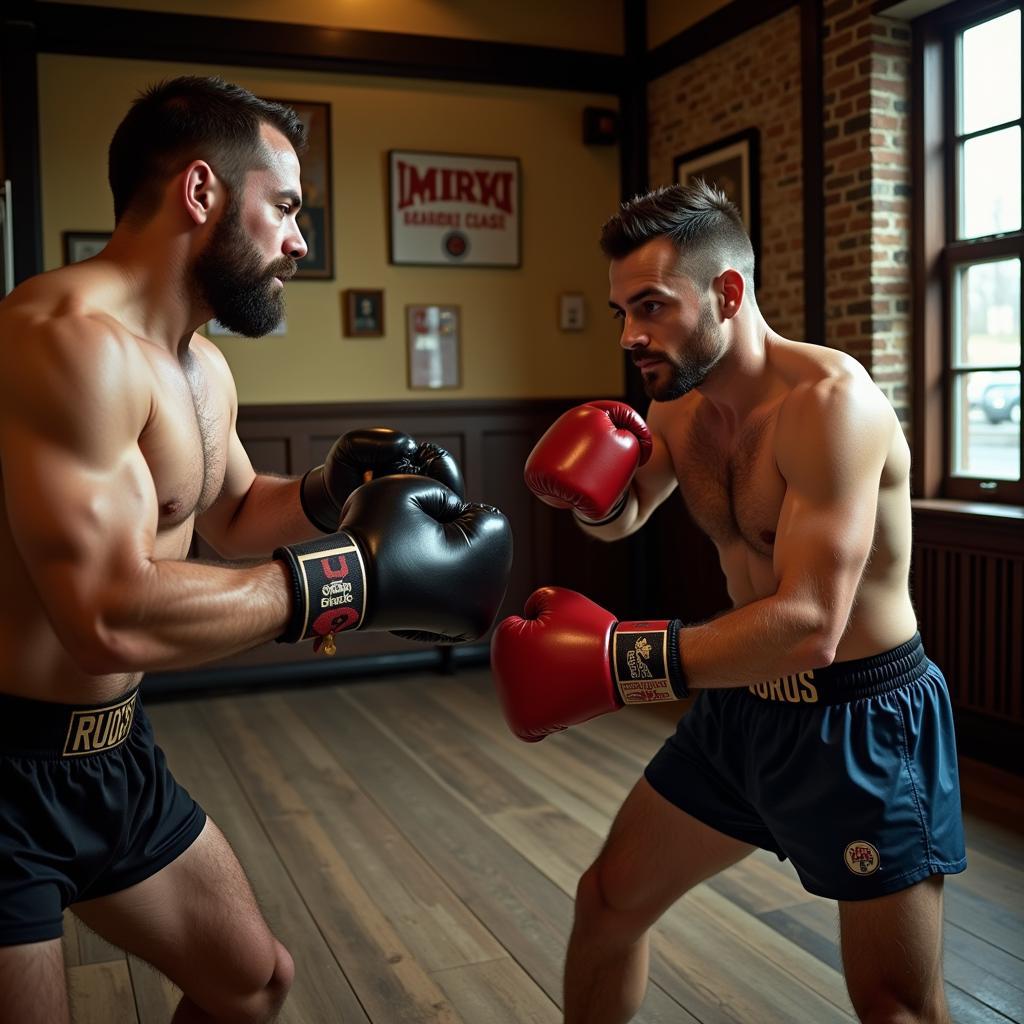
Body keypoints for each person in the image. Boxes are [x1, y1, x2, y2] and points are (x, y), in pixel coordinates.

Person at [0, 76, 512, 1024]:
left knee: (253, 982)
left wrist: (332, 488)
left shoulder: (199, 364)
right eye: (284, 206)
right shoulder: (62, 344)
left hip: (112, 756)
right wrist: (350, 576)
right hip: (8, 764)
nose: (299, 239)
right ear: (202, 193)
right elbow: (105, 615)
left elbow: (231, 509)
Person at [491, 181, 965, 1024]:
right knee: (608, 904)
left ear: (728, 293)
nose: (632, 334)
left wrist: (620, 664)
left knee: (893, 1004)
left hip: (862, 721)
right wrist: (592, 497)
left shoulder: (830, 406)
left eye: (651, 306)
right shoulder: (678, 404)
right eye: (620, 311)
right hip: (744, 707)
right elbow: (628, 514)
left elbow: (812, 624)